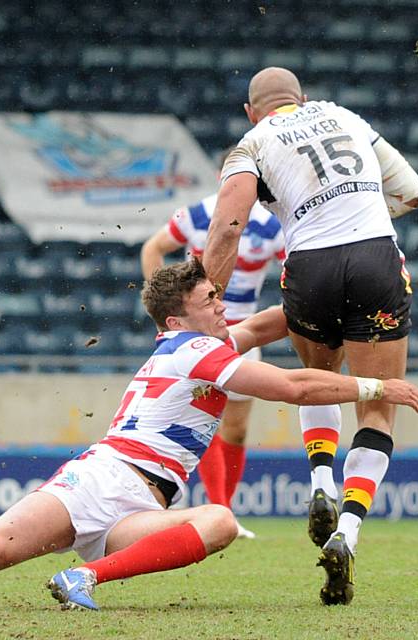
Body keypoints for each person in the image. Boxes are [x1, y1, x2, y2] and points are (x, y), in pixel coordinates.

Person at [0, 259, 418, 611]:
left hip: (142, 506)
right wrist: (377, 384)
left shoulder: (201, 346)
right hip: (102, 478)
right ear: (179, 317)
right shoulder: (195, 351)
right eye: (210, 299)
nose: (222, 305)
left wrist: (330, 296)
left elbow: (276, 322)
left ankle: (83, 578)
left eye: (219, 295)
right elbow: (292, 387)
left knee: (219, 522)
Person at [202, 67, 418, 605]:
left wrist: (207, 304)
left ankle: (321, 482)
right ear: (301, 99)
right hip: (375, 253)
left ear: (251, 112)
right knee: (377, 408)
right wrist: (364, 205)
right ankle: (346, 532)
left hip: (309, 266)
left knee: (319, 379)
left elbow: (228, 226)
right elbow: (415, 193)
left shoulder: (250, 143)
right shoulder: (344, 115)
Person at [140, 172, 285, 539]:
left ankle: (225, 512)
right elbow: (152, 248)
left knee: (235, 430)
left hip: (244, 333)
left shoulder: (270, 224)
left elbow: (293, 266)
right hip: (198, 335)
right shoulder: (197, 216)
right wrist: (166, 309)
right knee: (203, 423)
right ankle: (220, 510)